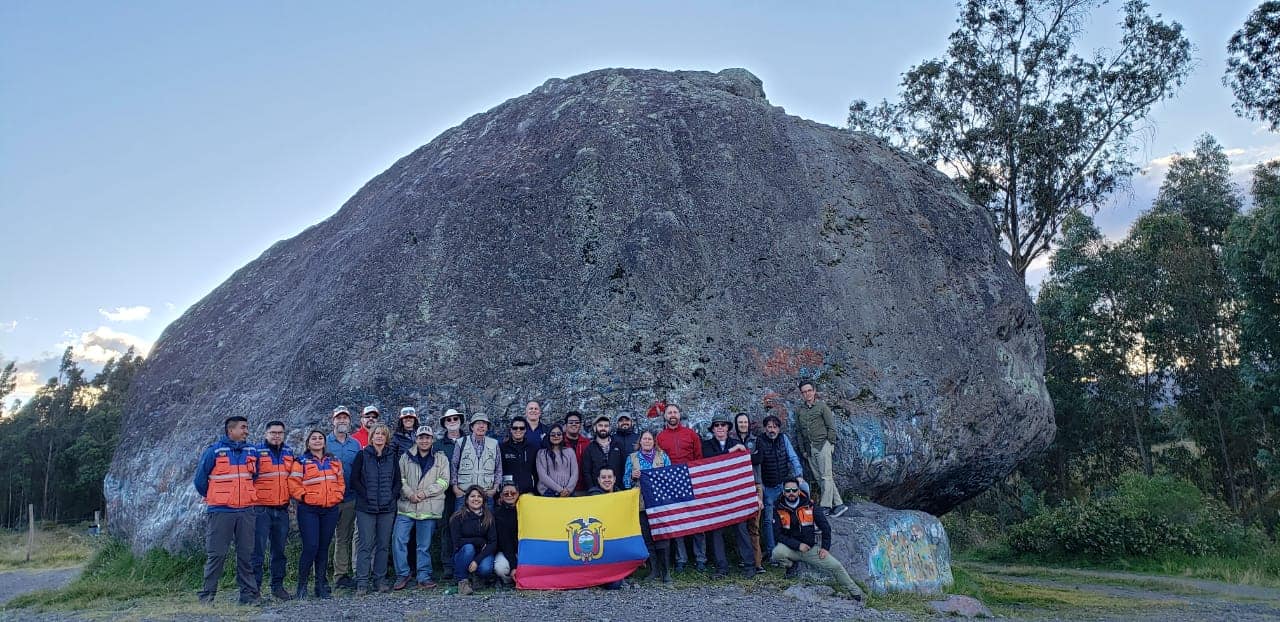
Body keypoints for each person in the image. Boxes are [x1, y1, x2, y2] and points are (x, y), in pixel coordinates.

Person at [193, 415, 259, 604]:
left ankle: (248, 596)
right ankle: (207, 597)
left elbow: (254, 477)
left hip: (246, 511)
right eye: (243, 427)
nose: (246, 431)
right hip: (221, 511)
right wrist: (217, 496)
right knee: (217, 554)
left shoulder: (252, 451)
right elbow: (200, 481)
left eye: (247, 427)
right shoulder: (213, 451)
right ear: (231, 431)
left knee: (246, 555)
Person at [771, 477, 864, 601]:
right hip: (791, 548)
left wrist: (825, 548)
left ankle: (856, 592)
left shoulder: (810, 506)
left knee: (836, 566)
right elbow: (777, 535)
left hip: (810, 549)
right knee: (776, 553)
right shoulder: (777, 508)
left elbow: (825, 528)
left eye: (794, 490)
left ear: (799, 491)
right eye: (788, 490)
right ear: (783, 492)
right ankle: (790, 565)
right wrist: (797, 545)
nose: (791, 493)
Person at [289, 429, 346, 600]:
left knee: (323, 548)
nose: (317, 440)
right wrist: (304, 496)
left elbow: (341, 481)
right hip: (309, 510)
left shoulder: (334, 461)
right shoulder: (301, 462)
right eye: (313, 438)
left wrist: (338, 496)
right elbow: (293, 483)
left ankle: (320, 585)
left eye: (320, 438)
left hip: (330, 509)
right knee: (311, 547)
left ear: (324, 442)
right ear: (308, 443)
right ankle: (302, 586)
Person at [393, 425, 448, 590]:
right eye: (421, 437)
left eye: (427, 438)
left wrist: (424, 493)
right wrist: (410, 494)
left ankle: (423, 576)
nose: (424, 441)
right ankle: (402, 574)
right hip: (407, 505)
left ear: (432, 440)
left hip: (428, 507)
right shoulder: (405, 457)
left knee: (423, 546)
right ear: (416, 439)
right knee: (398, 540)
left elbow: (444, 481)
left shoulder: (441, 458)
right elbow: (400, 478)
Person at [350, 423, 399, 595]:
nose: (379, 436)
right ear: (371, 437)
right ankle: (362, 582)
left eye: (382, 434)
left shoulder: (392, 456)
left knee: (383, 545)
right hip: (366, 508)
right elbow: (354, 480)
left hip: (387, 508)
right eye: (376, 433)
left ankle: (380, 580)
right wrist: (367, 497)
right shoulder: (362, 455)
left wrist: (391, 497)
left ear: (387, 438)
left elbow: (397, 482)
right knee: (365, 544)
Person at [656, 403, 705, 571]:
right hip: (671, 484)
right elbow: (659, 461)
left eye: (675, 412)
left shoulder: (691, 434)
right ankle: (681, 559)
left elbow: (699, 457)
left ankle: (700, 558)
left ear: (679, 414)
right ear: (665, 416)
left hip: (691, 482)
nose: (672, 415)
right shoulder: (660, 437)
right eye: (669, 412)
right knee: (677, 522)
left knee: (697, 521)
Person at [251, 420, 295, 600]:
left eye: (280, 433)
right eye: (273, 433)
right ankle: (254, 590)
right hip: (261, 510)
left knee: (279, 552)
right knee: (257, 552)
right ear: (266, 434)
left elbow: (293, 479)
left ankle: (277, 587)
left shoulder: (289, 453)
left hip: (282, 509)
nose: (276, 436)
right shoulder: (256, 453)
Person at [623, 430, 672, 583]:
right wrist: (632, 476)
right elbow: (625, 482)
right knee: (647, 538)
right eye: (644, 439)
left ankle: (666, 572)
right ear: (640, 441)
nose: (647, 441)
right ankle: (654, 570)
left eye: (650, 439)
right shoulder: (632, 458)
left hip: (659, 504)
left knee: (662, 537)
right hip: (642, 504)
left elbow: (670, 477)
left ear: (654, 441)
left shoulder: (662, 457)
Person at [757, 414, 808, 559]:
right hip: (768, 487)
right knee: (768, 520)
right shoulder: (760, 441)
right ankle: (772, 551)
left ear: (779, 428)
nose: (772, 430)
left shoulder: (783, 439)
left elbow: (792, 457)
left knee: (801, 496)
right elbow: (757, 464)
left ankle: (798, 544)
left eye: (774, 427)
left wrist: (799, 475)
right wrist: (761, 486)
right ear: (765, 428)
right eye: (769, 427)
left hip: (784, 485)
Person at [795, 381, 848, 517]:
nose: (807, 394)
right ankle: (839, 504)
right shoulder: (800, 411)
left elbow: (831, 426)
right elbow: (799, 432)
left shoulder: (822, 407)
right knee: (821, 478)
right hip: (810, 449)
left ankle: (825, 506)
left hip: (822, 444)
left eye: (809, 391)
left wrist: (830, 444)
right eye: (804, 392)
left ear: (814, 391)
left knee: (826, 476)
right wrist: (803, 450)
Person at [699, 414, 742, 579]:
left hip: (734, 494)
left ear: (728, 428)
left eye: (723, 425)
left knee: (741, 529)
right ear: (713, 429)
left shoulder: (737, 443)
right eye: (716, 425)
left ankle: (748, 564)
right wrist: (731, 452)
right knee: (716, 531)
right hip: (715, 495)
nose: (720, 428)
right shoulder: (708, 445)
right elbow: (711, 461)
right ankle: (721, 566)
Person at [326, 406, 363, 591]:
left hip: (349, 499)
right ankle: (320, 576)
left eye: (345, 418)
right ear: (333, 421)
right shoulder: (324, 442)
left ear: (350, 421)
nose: (342, 421)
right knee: (323, 539)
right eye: (338, 418)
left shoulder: (355, 445)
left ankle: (341, 575)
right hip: (327, 500)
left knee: (343, 538)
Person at [732, 412, 765, 576]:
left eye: (745, 422)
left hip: (755, 485)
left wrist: (742, 452)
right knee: (740, 526)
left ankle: (757, 562)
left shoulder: (757, 440)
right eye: (740, 422)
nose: (743, 424)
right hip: (738, 487)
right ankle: (744, 560)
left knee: (754, 525)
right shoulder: (732, 442)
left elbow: (759, 459)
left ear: (749, 424)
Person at [435, 408, 466, 581]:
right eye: (448, 419)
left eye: (455, 418)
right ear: (445, 424)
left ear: (460, 421)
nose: (452, 421)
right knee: (446, 527)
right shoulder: (438, 445)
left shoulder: (470, 441)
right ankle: (447, 565)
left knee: (466, 527)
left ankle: (464, 563)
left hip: (467, 492)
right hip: (445, 493)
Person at [449, 486, 498, 596]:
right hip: (463, 553)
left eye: (479, 496)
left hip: (482, 553)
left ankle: (477, 577)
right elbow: (457, 542)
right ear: (466, 500)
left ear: (483, 499)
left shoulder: (489, 517)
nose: (476, 499)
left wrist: (476, 560)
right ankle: (462, 581)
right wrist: (479, 541)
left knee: (485, 569)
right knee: (469, 548)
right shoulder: (457, 517)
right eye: (472, 496)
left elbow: (493, 542)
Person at [451, 413, 502, 509]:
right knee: (460, 522)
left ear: (487, 427)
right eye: (478, 423)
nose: (481, 426)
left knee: (487, 522)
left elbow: (498, 468)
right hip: (464, 494)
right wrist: (455, 489)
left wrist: (494, 489)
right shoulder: (461, 442)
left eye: (484, 423)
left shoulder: (494, 444)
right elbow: (454, 466)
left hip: (486, 494)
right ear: (472, 427)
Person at [582, 415, 626, 489]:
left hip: (617, 491)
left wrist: (621, 487)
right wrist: (592, 489)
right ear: (595, 428)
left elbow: (624, 468)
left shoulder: (618, 446)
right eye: (600, 425)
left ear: (609, 428)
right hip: (597, 492)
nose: (603, 428)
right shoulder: (589, 449)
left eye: (606, 426)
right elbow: (586, 472)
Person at [535, 423, 579, 497]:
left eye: (559, 434)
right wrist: (560, 490)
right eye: (553, 434)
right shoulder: (541, 453)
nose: (556, 436)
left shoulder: (570, 451)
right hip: (548, 491)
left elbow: (575, 473)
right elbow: (542, 476)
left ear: (562, 436)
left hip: (568, 492)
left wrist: (568, 489)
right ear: (548, 436)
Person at [500, 416, 539, 494]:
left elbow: (536, 473)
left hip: (527, 493)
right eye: (515, 428)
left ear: (525, 430)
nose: (518, 430)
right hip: (508, 494)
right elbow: (498, 472)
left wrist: (535, 491)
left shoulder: (532, 448)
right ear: (511, 430)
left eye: (521, 428)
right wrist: (499, 494)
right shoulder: (502, 447)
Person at [492, 482, 520, 588]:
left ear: (518, 494)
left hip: (524, 551)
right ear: (501, 496)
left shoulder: (526, 511)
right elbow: (505, 544)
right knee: (501, 568)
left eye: (512, 493)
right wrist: (513, 566)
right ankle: (510, 581)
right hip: (507, 551)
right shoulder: (498, 515)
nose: (509, 495)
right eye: (506, 493)